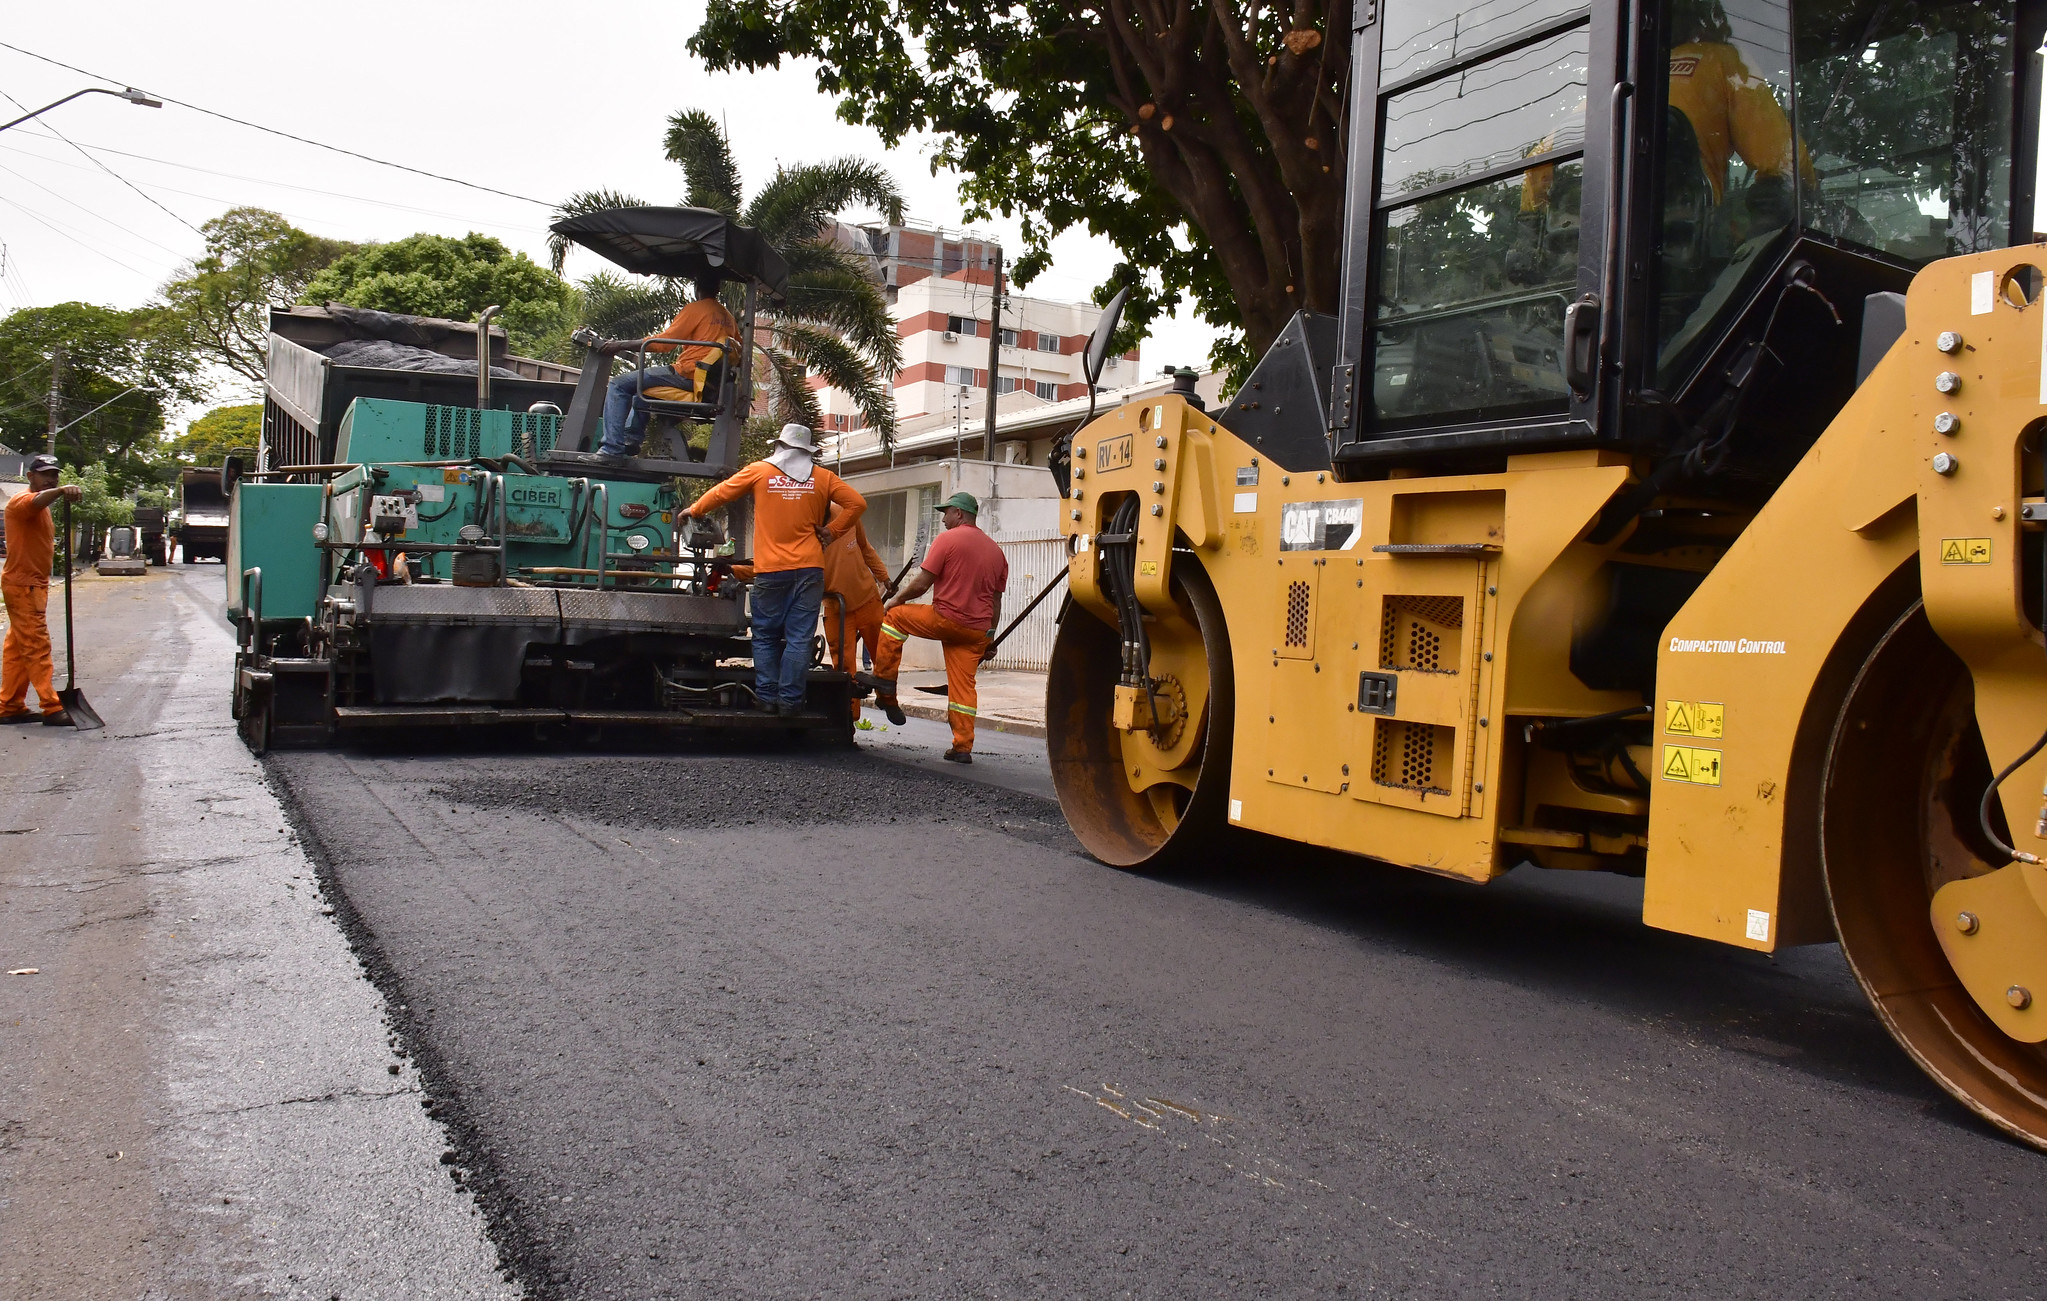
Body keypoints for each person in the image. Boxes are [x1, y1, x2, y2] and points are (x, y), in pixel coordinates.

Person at [686, 424, 865, 715]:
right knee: (799, 638)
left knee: (766, 635)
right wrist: (832, 532)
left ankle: (767, 699)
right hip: (809, 569)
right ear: (807, 451)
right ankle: (791, 703)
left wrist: (694, 511)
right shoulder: (823, 477)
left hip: (770, 571)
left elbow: (723, 493)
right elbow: (857, 504)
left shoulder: (760, 471)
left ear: (780, 446)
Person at [862, 492, 1008, 763]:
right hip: (975, 631)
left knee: (895, 618)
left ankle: (885, 687)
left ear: (960, 514)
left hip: (946, 620)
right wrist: (989, 636)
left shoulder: (948, 540)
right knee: (963, 689)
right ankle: (962, 746)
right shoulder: (996, 552)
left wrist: (893, 601)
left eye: (946, 513)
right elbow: (996, 601)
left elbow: (922, 583)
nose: (942, 519)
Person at [598, 274, 739, 458]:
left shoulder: (697, 309)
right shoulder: (728, 317)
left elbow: (664, 343)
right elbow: (739, 349)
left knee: (619, 384)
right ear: (718, 289)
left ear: (697, 289)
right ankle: (630, 439)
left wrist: (621, 345)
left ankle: (611, 449)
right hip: (708, 383)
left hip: (688, 375)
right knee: (643, 386)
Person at [1, 455, 83, 725]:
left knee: (18, 648)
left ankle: (9, 706)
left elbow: (42, 502)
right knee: (37, 645)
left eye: (55, 476)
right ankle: (52, 706)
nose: (51, 479)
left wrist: (55, 493)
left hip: (33, 584)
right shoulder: (21, 502)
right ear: (30, 477)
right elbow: (35, 500)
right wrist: (59, 491)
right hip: (24, 586)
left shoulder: (42, 507)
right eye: (46, 474)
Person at [819, 503, 891, 721]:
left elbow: (865, 547)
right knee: (843, 667)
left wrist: (884, 577)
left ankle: (888, 699)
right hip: (836, 608)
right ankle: (849, 719)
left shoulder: (845, 514)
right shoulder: (802, 527)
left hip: (867, 599)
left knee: (884, 655)